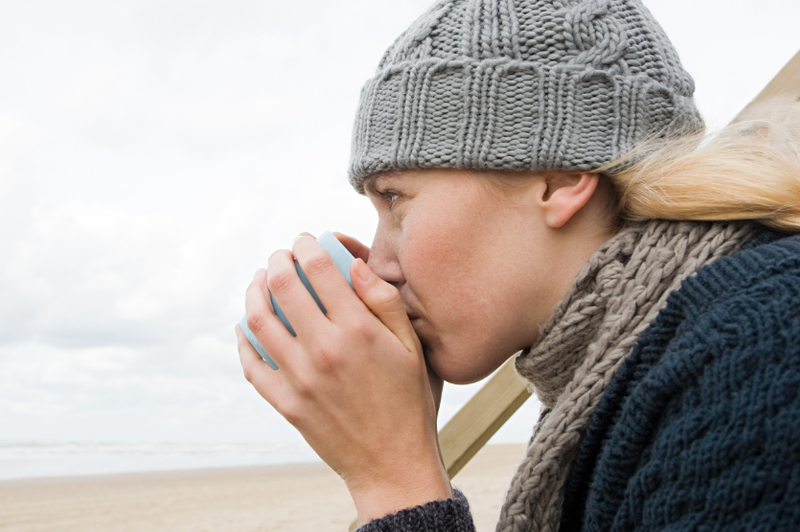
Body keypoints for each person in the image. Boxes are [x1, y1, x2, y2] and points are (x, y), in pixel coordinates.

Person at [235, 1, 800, 530]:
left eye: (396, 199)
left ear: (559, 179)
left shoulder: (763, 351)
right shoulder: (653, 360)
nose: (381, 265)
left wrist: (396, 478)